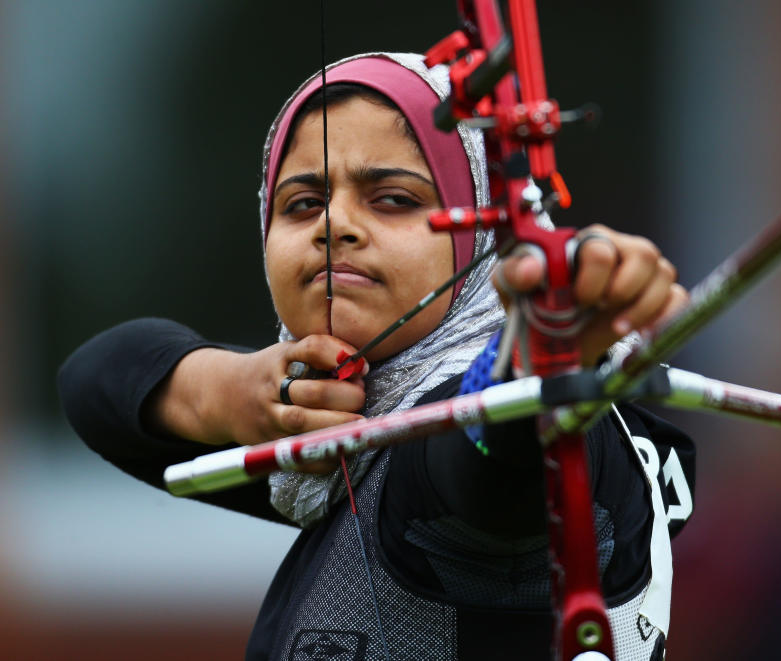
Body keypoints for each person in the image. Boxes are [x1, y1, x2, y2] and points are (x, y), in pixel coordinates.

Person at [59, 53, 695, 661]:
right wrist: (232, 394)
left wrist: (536, 356)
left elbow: (487, 457)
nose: (334, 224)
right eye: (302, 203)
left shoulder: (462, 466)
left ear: (485, 237)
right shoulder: (339, 433)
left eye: (393, 198)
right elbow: (93, 383)